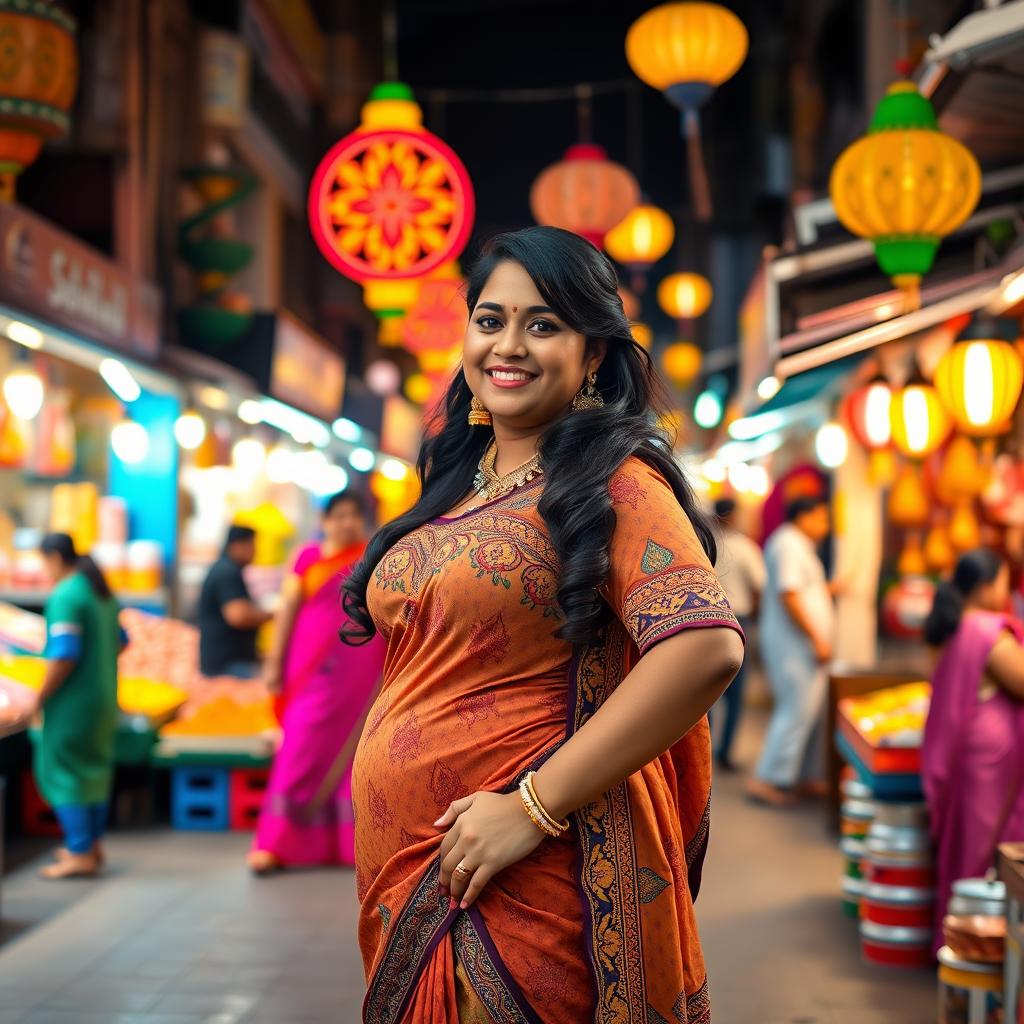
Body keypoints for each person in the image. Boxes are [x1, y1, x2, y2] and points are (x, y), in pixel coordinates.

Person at [342, 227, 743, 1022]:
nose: (509, 345)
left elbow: (704, 647)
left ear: (593, 355)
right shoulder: (456, 482)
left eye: (543, 324)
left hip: (519, 882)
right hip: (411, 873)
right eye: (490, 320)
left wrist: (531, 807)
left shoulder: (610, 484)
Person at [248, 491, 386, 874]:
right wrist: (274, 664)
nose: (346, 523)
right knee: (299, 748)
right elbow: (288, 611)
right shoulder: (308, 559)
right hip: (309, 669)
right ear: (324, 521)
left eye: (354, 516)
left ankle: (345, 846)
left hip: (358, 671)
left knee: (352, 755)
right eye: (338, 516)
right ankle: (275, 844)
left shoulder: (372, 557)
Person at [923, 549, 1024, 945]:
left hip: (974, 755)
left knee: (968, 847)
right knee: (978, 852)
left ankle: (961, 943)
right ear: (985, 587)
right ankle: (971, 948)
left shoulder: (956, 625)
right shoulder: (985, 628)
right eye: (1003, 582)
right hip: (988, 760)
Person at [11, 534, 123, 879]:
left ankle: (79, 851)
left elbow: (63, 654)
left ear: (55, 559)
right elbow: (121, 641)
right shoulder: (99, 592)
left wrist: (37, 698)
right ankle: (91, 845)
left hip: (73, 704)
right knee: (94, 771)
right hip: (103, 697)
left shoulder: (66, 595)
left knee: (64, 773)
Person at [747, 495, 835, 807]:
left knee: (808, 710)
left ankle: (803, 776)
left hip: (801, 645)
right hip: (794, 645)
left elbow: (805, 591)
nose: (826, 526)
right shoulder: (788, 544)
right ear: (805, 516)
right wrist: (817, 638)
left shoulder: (798, 546)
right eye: (822, 517)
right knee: (796, 709)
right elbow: (790, 593)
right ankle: (768, 778)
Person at [711, 497, 766, 771]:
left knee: (705, 691)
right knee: (735, 692)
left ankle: (703, 749)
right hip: (738, 620)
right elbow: (759, 588)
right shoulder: (745, 547)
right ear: (733, 516)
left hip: (708, 619)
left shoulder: (704, 543)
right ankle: (725, 752)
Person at [198, 524, 271, 678]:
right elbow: (239, 617)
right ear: (237, 545)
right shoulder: (227, 572)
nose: (255, 551)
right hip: (227, 666)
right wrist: (272, 614)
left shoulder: (227, 569)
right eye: (252, 545)